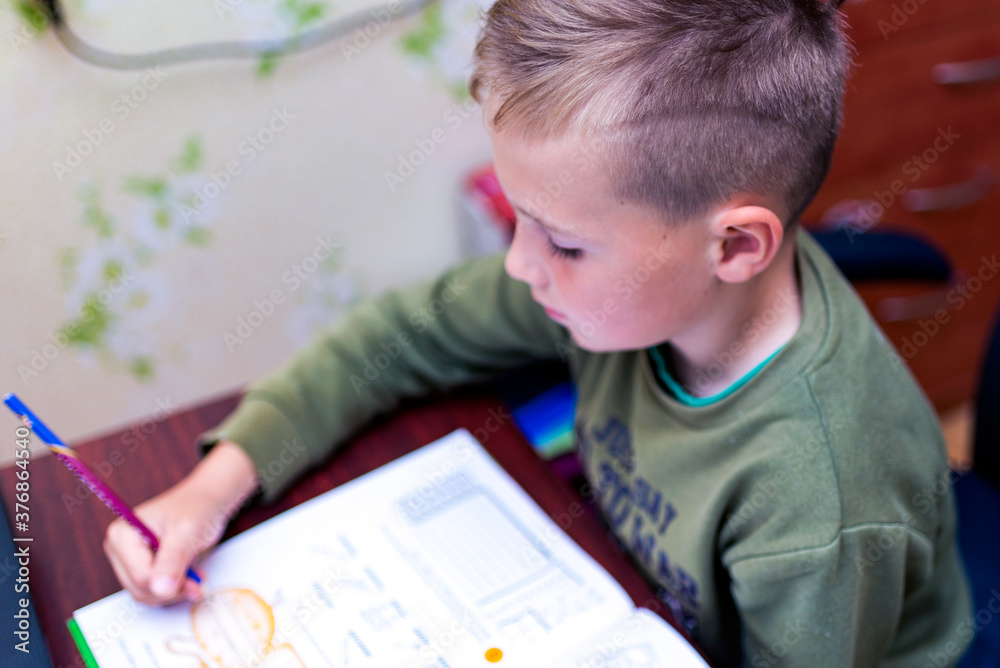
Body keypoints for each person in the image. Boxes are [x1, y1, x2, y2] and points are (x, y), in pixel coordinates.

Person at [104, 0, 973, 664]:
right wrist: (213, 486)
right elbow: (402, 336)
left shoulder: (820, 502)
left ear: (735, 246)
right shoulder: (621, 288)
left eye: (560, 241)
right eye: (522, 221)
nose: (522, 266)